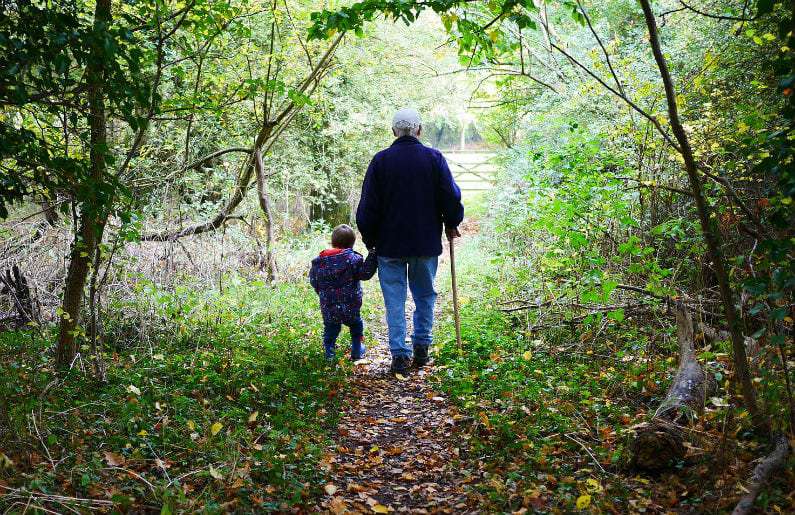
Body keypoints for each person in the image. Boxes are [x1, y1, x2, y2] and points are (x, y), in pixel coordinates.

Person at [356, 108, 464, 376]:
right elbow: (451, 197)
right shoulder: (434, 158)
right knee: (425, 295)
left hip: (389, 246)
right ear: (419, 130)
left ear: (394, 131)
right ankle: (421, 348)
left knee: (395, 300)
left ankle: (399, 355)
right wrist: (452, 222)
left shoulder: (380, 161)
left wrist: (372, 241)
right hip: (425, 243)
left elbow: (366, 209)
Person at [309, 224, 378, 361]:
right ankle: (357, 351)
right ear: (352, 243)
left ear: (333, 242)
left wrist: (323, 293)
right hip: (350, 305)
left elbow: (313, 281)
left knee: (330, 330)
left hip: (329, 306)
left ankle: (330, 354)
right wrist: (373, 255)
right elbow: (365, 274)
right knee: (356, 326)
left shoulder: (319, 262)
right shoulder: (353, 260)